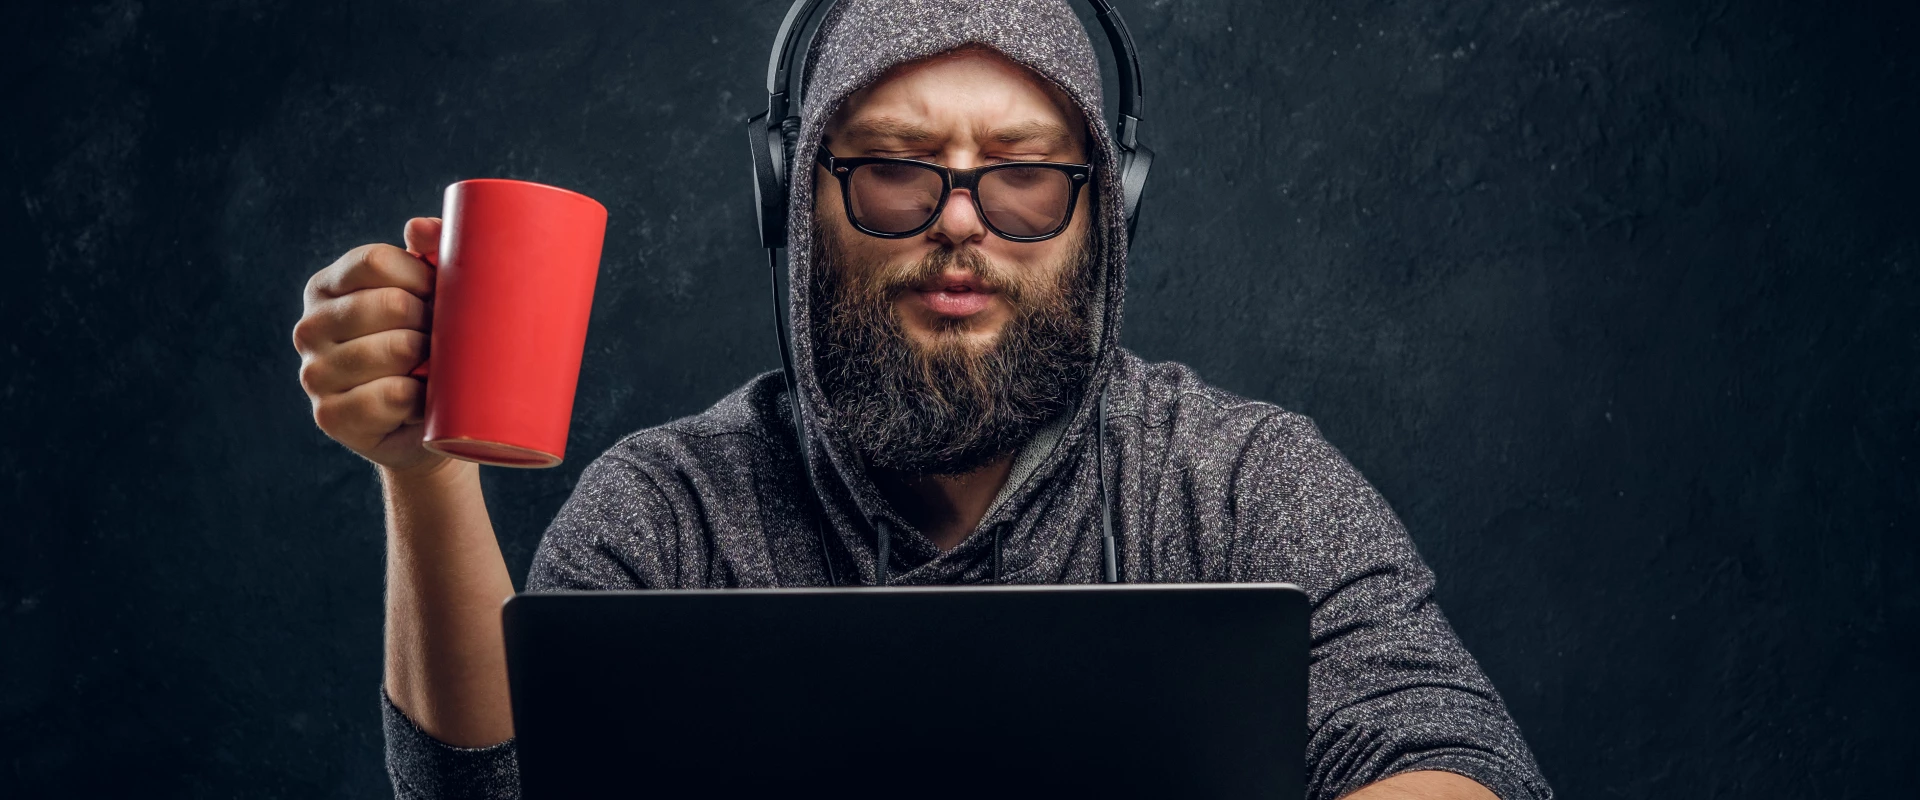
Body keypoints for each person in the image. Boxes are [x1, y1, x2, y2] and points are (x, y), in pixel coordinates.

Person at [291, 1, 1553, 798]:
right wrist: (422, 466)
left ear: (1106, 219)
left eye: (1022, 178)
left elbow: (1442, 748)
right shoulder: (667, 506)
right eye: (896, 170)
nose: (960, 223)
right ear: (795, 198)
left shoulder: (1239, 476)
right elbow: (490, 791)